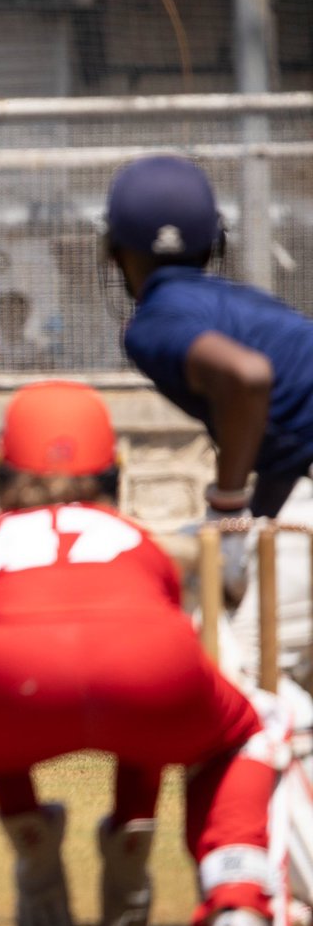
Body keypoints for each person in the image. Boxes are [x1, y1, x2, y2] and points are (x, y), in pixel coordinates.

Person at [0, 381, 284, 926]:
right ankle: (239, 905)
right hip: (154, 675)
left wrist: (32, 843)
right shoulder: (137, 541)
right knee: (262, 723)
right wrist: (131, 850)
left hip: (8, 682)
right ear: (113, 473)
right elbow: (138, 683)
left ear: (3, 471)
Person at [105, 153, 313, 603]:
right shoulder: (250, 308)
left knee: (221, 650)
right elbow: (292, 439)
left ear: (113, 250)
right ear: (215, 243)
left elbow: (248, 378)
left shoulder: (153, 323)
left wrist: (227, 507)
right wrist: (248, 524)